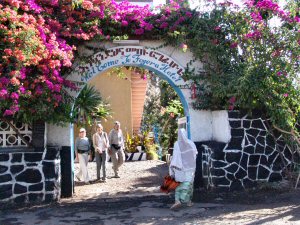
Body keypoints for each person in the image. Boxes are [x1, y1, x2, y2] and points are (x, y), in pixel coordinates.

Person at [169, 128, 198, 210]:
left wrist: (173, 166)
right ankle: (187, 201)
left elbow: (175, 156)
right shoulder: (191, 143)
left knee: (179, 185)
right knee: (189, 184)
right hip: (190, 168)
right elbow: (195, 154)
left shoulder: (177, 144)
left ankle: (178, 201)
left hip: (179, 168)